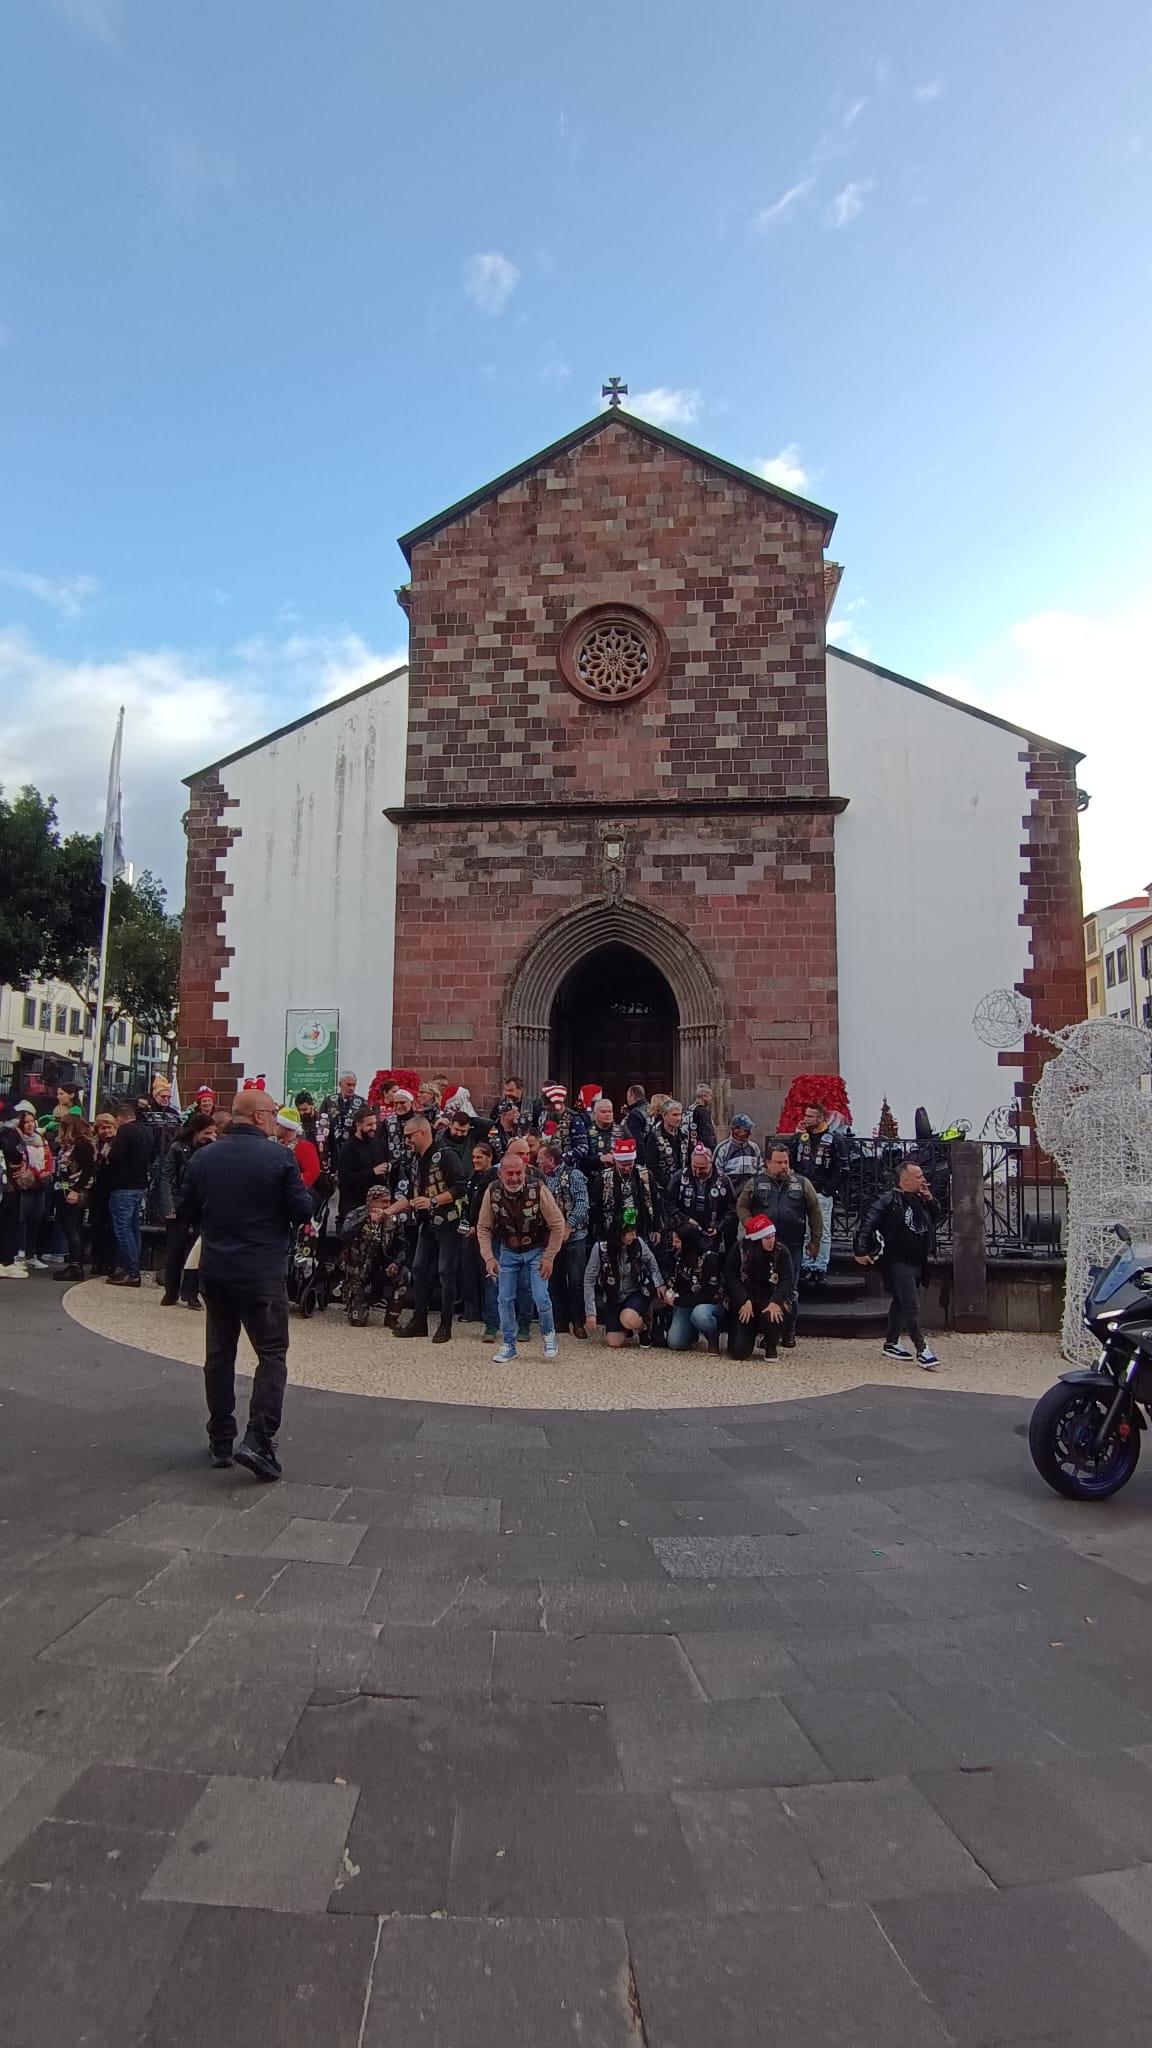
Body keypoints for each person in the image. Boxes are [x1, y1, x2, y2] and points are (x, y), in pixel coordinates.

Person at [179, 1087, 313, 1476]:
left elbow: (186, 1210)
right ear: (257, 1117)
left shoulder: (204, 1158)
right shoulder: (278, 1158)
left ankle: (221, 1438)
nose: (275, 1118)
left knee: (219, 1355)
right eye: (272, 1112)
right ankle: (258, 1439)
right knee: (271, 1355)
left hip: (217, 1268)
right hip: (262, 1272)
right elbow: (302, 1209)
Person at [476, 1147, 565, 1363]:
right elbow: (483, 1227)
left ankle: (548, 1335)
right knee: (504, 1298)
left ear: (524, 1171)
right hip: (508, 1250)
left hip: (536, 1250)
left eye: (518, 1173)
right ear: (501, 1174)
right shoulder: (492, 1191)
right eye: (510, 1173)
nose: (514, 1178)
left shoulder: (538, 1188)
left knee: (541, 1296)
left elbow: (557, 1223)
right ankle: (509, 1344)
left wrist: (549, 1257)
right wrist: (489, 1257)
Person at [854, 1160, 942, 1369]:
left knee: (902, 1301)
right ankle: (922, 1348)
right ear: (905, 1179)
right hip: (896, 1259)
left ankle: (891, 1342)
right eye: (918, 1176)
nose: (923, 1180)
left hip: (918, 1260)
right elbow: (868, 1223)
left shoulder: (921, 1199)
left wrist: (931, 1200)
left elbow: (937, 1218)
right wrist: (860, 1250)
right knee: (911, 1304)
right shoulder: (887, 1200)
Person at [736, 1145, 822, 1348]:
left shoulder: (801, 1183)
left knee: (790, 1290)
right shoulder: (755, 1184)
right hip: (763, 1247)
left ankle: (789, 1331)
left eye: (786, 1162)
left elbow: (815, 1211)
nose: (783, 1166)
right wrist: (751, 1225)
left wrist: (815, 1240)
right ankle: (769, 1332)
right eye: (778, 1162)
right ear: (767, 1163)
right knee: (767, 1288)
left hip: (791, 1245)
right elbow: (742, 1205)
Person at [390, 1115, 466, 1342]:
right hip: (426, 1222)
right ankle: (419, 1321)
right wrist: (388, 1211)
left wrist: (433, 1201)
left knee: (446, 1272)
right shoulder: (415, 1159)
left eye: (409, 1135)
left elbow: (460, 1188)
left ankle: (445, 1325)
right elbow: (411, 1196)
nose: (406, 1141)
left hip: (448, 1222)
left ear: (423, 1132)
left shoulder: (446, 1155)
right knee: (420, 1268)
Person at [160, 1111, 216, 1306]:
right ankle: (171, 1291)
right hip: (180, 1203)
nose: (211, 1136)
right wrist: (169, 1205)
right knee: (175, 1250)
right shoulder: (176, 1148)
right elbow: (167, 1177)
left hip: (201, 1206)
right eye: (207, 1132)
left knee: (197, 1251)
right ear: (196, 1131)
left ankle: (190, 1293)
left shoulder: (210, 1150)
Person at [584, 1224, 668, 1348]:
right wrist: (590, 1312)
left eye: (635, 1233)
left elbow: (651, 1261)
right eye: (630, 1234)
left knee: (628, 1317)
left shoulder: (638, 1243)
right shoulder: (600, 1248)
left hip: (636, 1291)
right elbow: (589, 1279)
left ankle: (643, 1328)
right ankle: (626, 1326)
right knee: (614, 1342)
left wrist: (659, 1283)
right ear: (619, 1234)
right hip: (613, 1296)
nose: (634, 1237)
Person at [791, 1102, 848, 1284]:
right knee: (805, 1229)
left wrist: (827, 1190)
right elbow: (792, 1161)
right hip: (802, 1190)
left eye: (810, 1116)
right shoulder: (801, 1137)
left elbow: (843, 1168)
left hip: (822, 1192)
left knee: (822, 1231)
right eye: (806, 1115)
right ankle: (807, 1265)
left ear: (821, 1118)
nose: (806, 1119)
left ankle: (820, 1266)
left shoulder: (834, 1139)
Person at [538, 1139, 590, 1337]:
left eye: (541, 1158)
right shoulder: (542, 1179)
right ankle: (560, 1320)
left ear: (551, 1160)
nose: (537, 1161)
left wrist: (569, 1226)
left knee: (576, 1281)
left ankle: (578, 1322)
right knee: (554, 1280)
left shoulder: (574, 1175)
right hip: (551, 1239)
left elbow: (582, 1204)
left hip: (575, 1236)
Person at [725, 1213, 795, 1360]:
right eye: (767, 1238)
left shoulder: (781, 1251)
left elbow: (788, 1279)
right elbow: (731, 1276)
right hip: (747, 1298)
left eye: (773, 1236)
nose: (772, 1241)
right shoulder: (740, 1250)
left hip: (769, 1297)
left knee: (774, 1314)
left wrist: (776, 1300)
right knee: (739, 1352)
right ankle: (745, 1334)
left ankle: (771, 1343)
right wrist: (743, 1299)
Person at [104, 1100, 153, 1287]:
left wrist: (107, 1153)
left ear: (119, 1118)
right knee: (133, 1228)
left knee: (122, 1229)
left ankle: (131, 1271)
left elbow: (116, 1157)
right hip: (139, 1184)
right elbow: (153, 1155)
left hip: (123, 1185)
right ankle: (132, 1267)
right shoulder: (146, 1131)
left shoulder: (125, 1131)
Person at [665, 1222, 726, 1352]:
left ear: (687, 1242)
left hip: (709, 1303)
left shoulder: (709, 1257)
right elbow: (672, 1277)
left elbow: (709, 1296)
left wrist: (678, 1301)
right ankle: (691, 1332)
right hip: (685, 1301)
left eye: (677, 1241)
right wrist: (669, 1290)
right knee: (676, 1343)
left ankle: (713, 1336)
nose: (674, 1244)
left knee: (700, 1315)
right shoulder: (677, 1254)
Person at [590, 1133, 659, 1245]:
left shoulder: (645, 1175)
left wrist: (657, 1228)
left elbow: (655, 1202)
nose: (627, 1168)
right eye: (623, 1164)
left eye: (629, 1164)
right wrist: (600, 1233)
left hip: (641, 1229)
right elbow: (596, 1207)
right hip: (612, 1230)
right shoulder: (603, 1178)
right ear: (616, 1161)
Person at [667, 1143, 734, 1258]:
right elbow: (668, 1204)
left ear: (711, 1164)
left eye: (702, 1168)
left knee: (709, 1263)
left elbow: (732, 1209)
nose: (698, 1171)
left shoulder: (723, 1180)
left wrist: (719, 1227)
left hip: (711, 1233)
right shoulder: (680, 1177)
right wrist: (684, 1220)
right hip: (686, 1231)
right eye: (695, 1167)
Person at [459, 1138, 498, 1333]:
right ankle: (471, 1310)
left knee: (487, 1271)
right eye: (473, 1157)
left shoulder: (494, 1178)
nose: (475, 1160)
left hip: (487, 1232)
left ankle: (488, 1313)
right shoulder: (472, 1178)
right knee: (468, 1270)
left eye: (479, 1157)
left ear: (489, 1158)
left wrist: (478, 1226)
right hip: (469, 1231)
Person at [336, 1104, 391, 1225]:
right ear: (358, 1125)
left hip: (377, 1205)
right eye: (369, 1125)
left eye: (375, 1124)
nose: (374, 1128)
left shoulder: (379, 1144)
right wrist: (372, 1172)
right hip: (354, 1204)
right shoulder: (348, 1148)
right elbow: (345, 1178)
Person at [14, 1107, 54, 1268]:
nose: (30, 1125)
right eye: (26, 1122)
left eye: (32, 1121)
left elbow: (48, 1157)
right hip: (25, 1184)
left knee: (35, 1219)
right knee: (21, 1219)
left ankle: (31, 1254)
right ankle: (19, 1253)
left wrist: (47, 1171)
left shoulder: (40, 1139)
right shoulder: (18, 1140)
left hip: (40, 1184)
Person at [141, 1074, 182, 1226]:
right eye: (163, 1096)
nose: (166, 1099)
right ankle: (153, 1213)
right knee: (155, 1183)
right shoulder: (148, 1112)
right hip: (155, 1152)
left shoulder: (174, 1113)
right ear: (156, 1096)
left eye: (168, 1096)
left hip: (169, 1151)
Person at [644, 1099, 690, 1214]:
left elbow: (689, 1159)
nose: (679, 1118)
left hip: (683, 1186)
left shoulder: (684, 1135)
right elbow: (652, 1165)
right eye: (674, 1115)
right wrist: (671, 1183)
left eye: (680, 1114)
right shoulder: (654, 1136)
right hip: (662, 1189)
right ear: (664, 1116)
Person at [87, 1108, 117, 1275]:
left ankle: (110, 1262)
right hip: (97, 1189)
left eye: (109, 1127)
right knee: (97, 1226)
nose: (106, 1131)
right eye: (103, 1128)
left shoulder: (117, 1143)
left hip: (112, 1188)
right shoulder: (93, 1145)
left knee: (112, 1228)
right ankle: (96, 1260)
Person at [274, 1104, 325, 1196]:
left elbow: (313, 1171)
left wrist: (292, 1186)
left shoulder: (303, 1146)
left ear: (287, 1127)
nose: (274, 1127)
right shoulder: (277, 1144)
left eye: (277, 1124)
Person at [322, 1073, 365, 1170]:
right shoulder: (329, 1101)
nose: (352, 1088)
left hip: (354, 1148)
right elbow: (322, 1123)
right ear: (340, 1084)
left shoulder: (362, 1103)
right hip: (332, 1149)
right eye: (348, 1085)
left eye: (354, 1085)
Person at [713, 1114, 762, 1198]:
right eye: (746, 1130)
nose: (750, 1133)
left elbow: (760, 1172)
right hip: (729, 1200)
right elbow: (716, 1175)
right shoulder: (723, 1149)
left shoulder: (754, 1148)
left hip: (750, 1200)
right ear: (735, 1130)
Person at [686, 1085, 718, 1152]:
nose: (711, 1099)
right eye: (710, 1096)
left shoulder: (688, 1111)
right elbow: (707, 1135)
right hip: (701, 1150)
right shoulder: (703, 1112)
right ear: (704, 1096)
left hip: (687, 1147)